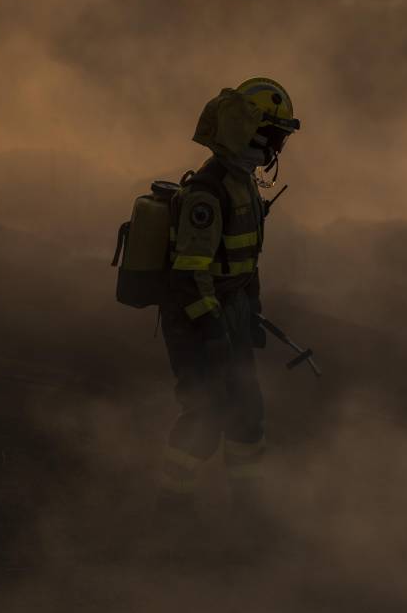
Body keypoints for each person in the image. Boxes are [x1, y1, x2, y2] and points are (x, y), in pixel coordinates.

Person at [157, 77, 299, 522]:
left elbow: (245, 263)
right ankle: (171, 507)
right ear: (250, 130)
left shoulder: (244, 185)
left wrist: (249, 314)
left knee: (246, 411)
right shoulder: (209, 190)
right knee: (205, 415)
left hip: (230, 314)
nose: (278, 145)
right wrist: (212, 328)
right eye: (275, 133)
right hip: (197, 318)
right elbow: (190, 272)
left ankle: (246, 506)